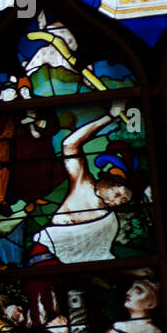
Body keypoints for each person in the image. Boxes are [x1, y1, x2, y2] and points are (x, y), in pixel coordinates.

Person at [31, 106, 133, 264]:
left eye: (123, 201)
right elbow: (70, 144)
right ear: (107, 181)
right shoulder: (83, 184)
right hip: (47, 255)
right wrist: (110, 116)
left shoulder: (109, 221)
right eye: (120, 193)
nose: (118, 200)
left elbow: (100, 254)